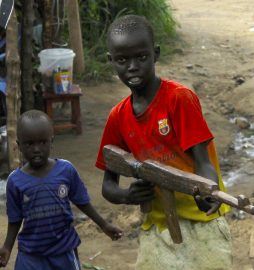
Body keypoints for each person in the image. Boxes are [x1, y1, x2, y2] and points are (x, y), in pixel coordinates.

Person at [95, 15, 232, 270]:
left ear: (155, 54)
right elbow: (108, 186)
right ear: (110, 61)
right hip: (157, 228)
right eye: (123, 60)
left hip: (201, 222)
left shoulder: (179, 99)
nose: (132, 67)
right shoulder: (118, 117)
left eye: (141, 57)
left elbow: (203, 161)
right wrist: (127, 195)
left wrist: (209, 191)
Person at [0, 110, 122, 270]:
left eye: (42, 142)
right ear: (19, 145)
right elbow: (15, 219)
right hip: (31, 254)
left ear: (51, 141)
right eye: (29, 144)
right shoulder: (15, 181)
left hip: (63, 251)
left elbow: (83, 202)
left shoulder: (66, 170)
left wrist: (104, 225)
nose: (37, 149)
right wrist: (7, 248)